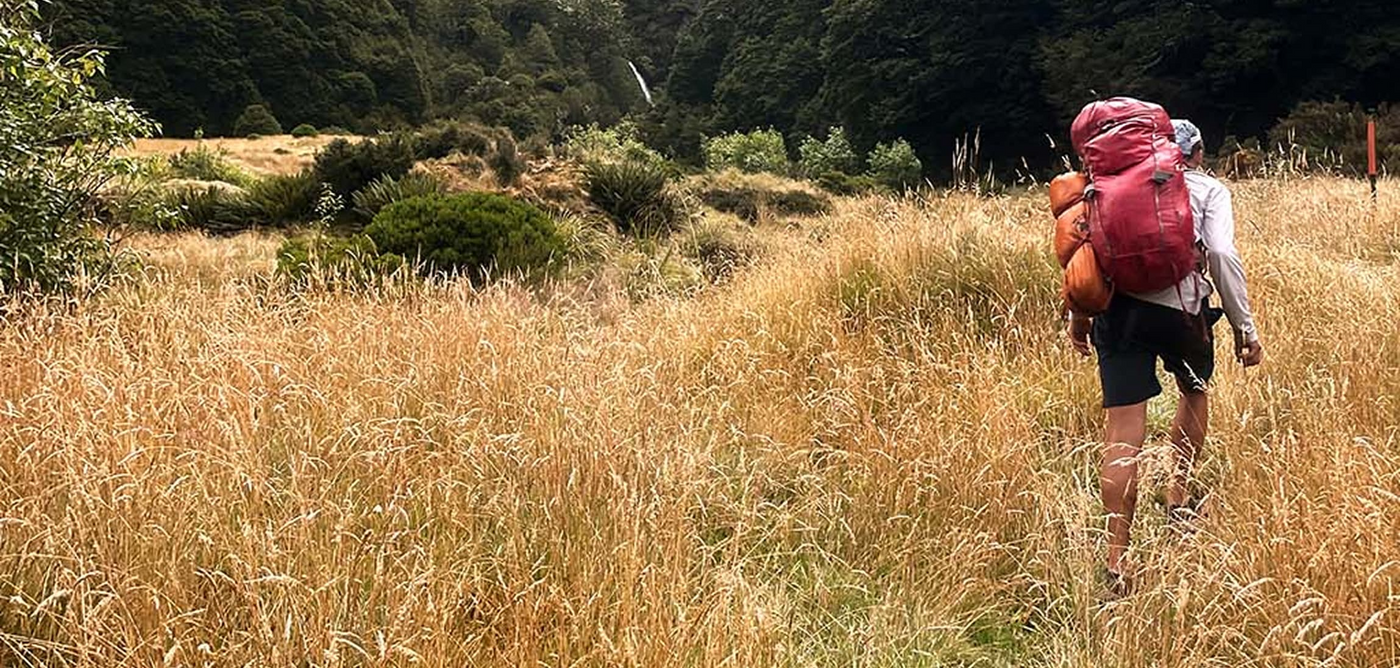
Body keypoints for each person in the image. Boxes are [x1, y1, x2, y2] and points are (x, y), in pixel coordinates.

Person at [1067, 119, 1265, 596]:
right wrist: (1245, 329)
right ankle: (1178, 495)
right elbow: (1221, 253)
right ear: (1194, 154)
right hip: (1183, 314)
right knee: (1194, 391)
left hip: (1118, 314)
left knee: (1122, 432)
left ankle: (1117, 556)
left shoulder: (1106, 188)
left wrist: (1079, 320)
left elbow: (1080, 259)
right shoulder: (1209, 190)